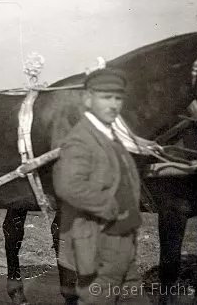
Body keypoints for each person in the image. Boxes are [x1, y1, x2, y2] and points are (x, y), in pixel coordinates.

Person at [53, 68, 145, 305]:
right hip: (99, 245)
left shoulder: (111, 136)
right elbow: (68, 185)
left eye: (118, 98)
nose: (114, 104)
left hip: (124, 242)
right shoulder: (80, 139)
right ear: (87, 99)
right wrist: (112, 208)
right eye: (106, 97)